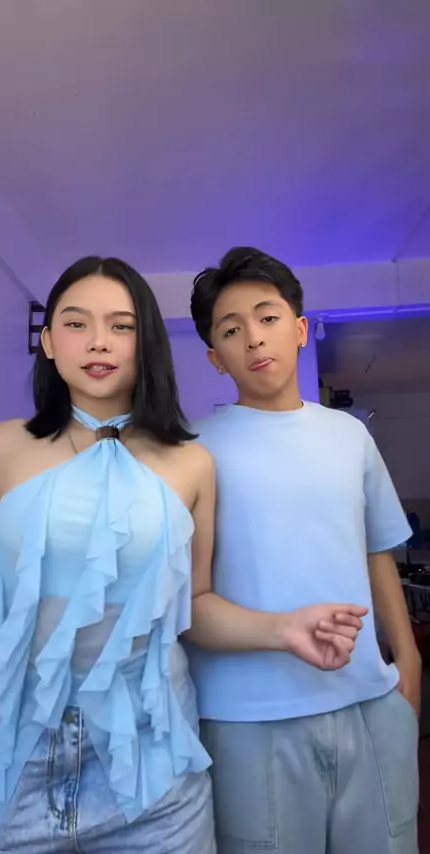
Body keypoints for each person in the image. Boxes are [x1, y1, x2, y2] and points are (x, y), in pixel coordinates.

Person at [0, 256, 365, 853]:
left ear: (145, 343)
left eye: (121, 326)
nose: (98, 341)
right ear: (48, 341)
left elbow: (194, 606)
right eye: (76, 323)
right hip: (17, 760)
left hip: (152, 768)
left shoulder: (191, 462)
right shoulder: (5, 445)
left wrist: (284, 628)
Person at [188, 247, 421, 854]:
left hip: (369, 700)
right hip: (246, 716)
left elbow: (376, 550)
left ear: (298, 329)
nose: (253, 339)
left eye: (267, 318)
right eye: (230, 331)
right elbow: (187, 597)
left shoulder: (350, 434)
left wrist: (409, 664)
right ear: (215, 358)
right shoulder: (192, 450)